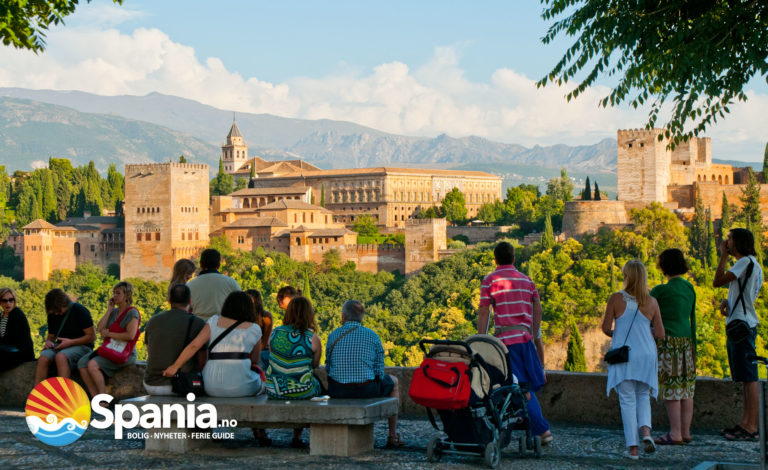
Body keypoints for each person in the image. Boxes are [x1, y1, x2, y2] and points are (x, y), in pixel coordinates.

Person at [477, 242, 553, 444]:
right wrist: (534, 333)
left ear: (495, 259)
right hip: (525, 340)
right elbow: (538, 309)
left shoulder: (490, 280)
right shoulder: (527, 281)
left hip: (505, 344)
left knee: (517, 388)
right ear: (514, 258)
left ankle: (542, 430)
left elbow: (485, 311)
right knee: (521, 385)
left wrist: (481, 339)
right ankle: (521, 418)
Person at [602, 259, 665, 460]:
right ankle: (646, 432)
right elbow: (661, 333)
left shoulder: (616, 299)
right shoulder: (652, 301)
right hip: (647, 353)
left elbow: (605, 328)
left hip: (624, 354)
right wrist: (644, 332)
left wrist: (618, 335)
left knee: (627, 400)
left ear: (626, 276)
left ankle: (633, 449)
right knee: (643, 395)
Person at [326, 300, 402, 448]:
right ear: (361, 316)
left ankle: (393, 435)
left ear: (343, 316)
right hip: (365, 390)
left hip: (337, 390)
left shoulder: (333, 335)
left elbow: (328, 367)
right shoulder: (372, 336)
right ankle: (392, 435)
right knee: (394, 382)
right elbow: (379, 372)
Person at [713, 228, 764, 441]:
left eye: (730, 238)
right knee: (745, 377)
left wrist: (723, 256)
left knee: (750, 378)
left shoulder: (744, 262)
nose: (727, 241)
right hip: (744, 322)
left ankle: (752, 426)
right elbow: (745, 292)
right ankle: (745, 424)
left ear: (739, 242)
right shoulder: (754, 265)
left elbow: (718, 281)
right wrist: (729, 302)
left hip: (741, 324)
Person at [163, 291, 263, 397]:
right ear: (249, 309)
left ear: (227, 306)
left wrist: (175, 366)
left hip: (211, 386)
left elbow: (194, 345)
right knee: (261, 381)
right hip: (242, 387)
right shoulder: (255, 328)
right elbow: (255, 360)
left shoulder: (213, 322)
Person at [651, 249, 696, 445]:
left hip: (668, 343)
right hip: (687, 342)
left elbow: (644, 311)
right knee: (686, 389)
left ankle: (675, 433)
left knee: (671, 389)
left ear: (664, 267)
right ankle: (685, 432)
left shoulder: (660, 291)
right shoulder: (689, 288)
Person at [265, 296, 321, 448]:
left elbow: (273, 357)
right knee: (316, 384)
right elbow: (314, 365)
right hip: (302, 392)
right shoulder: (312, 338)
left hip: (274, 390)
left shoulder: (275, 333)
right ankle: (297, 435)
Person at [78, 282, 141, 397]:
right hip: (111, 348)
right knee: (82, 363)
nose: (114, 296)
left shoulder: (132, 312)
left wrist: (109, 334)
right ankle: (95, 396)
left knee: (92, 364)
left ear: (127, 295)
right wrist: (109, 310)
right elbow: (100, 328)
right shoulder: (114, 312)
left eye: (118, 293)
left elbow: (130, 336)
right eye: (114, 293)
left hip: (125, 353)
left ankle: (102, 399)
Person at [144, 284, 205, 395]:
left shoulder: (153, 321)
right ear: (190, 301)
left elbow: (150, 352)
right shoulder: (198, 323)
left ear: (169, 300)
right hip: (181, 384)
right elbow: (202, 362)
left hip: (150, 384)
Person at [34, 289, 95, 385]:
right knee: (44, 357)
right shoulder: (53, 314)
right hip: (61, 345)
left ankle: (63, 394)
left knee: (61, 357)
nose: (56, 313)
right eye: (54, 312)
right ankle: (36, 394)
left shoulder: (80, 311)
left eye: (58, 310)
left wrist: (71, 342)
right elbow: (51, 336)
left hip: (82, 346)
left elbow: (91, 337)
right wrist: (48, 343)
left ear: (65, 303)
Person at [186, 249, 240, 320]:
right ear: (219, 265)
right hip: (223, 327)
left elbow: (185, 310)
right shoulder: (231, 283)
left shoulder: (189, 285)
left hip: (199, 327)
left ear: (201, 264)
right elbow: (241, 306)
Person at [0, 287, 35, 372]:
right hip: (7, 350)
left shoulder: (17, 314)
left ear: (14, 301)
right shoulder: (1, 316)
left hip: (20, 352)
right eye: (4, 301)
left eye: (10, 300)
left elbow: (12, 339)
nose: (8, 303)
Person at [245, 289, 273, 370]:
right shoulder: (243, 315)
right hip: (246, 349)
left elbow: (264, 342)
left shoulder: (266, 316)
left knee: (259, 359)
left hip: (260, 350)